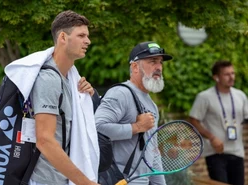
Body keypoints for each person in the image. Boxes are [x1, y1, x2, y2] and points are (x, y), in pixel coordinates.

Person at [27, 10, 99, 185]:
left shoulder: (71, 79)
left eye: (87, 36)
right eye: (81, 35)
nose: (87, 41)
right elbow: (44, 140)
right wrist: (86, 183)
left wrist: (89, 97)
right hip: (44, 180)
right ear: (62, 38)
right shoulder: (49, 79)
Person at [95, 41, 173, 185]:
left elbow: (152, 150)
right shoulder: (120, 94)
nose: (159, 67)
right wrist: (136, 127)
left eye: (160, 62)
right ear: (135, 67)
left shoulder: (152, 104)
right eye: (152, 61)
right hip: (118, 180)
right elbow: (97, 127)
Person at [189, 60, 248, 185]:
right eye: (226, 74)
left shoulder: (240, 95)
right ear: (216, 77)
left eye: (233, 73)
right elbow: (193, 120)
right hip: (216, 153)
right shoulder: (204, 97)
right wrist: (211, 137)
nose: (231, 77)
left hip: (237, 152)